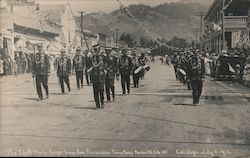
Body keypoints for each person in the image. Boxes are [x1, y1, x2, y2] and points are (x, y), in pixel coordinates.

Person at [89, 44, 107, 109]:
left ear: (99, 49)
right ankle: (97, 104)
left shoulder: (103, 57)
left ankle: (102, 103)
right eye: (94, 49)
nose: (95, 51)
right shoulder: (92, 57)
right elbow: (90, 66)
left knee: (101, 90)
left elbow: (107, 63)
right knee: (95, 91)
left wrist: (105, 69)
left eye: (96, 49)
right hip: (94, 77)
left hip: (101, 76)